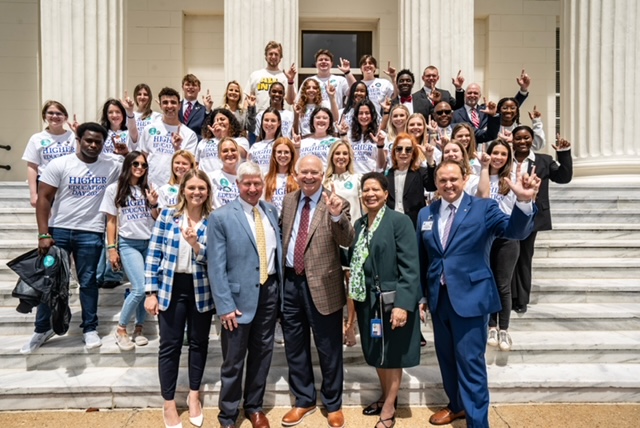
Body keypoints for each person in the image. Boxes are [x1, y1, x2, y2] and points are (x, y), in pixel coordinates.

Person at [417, 160, 539, 428]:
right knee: (447, 360)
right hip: (440, 298)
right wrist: (422, 296)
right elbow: (423, 259)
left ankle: (477, 423)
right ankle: (457, 406)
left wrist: (524, 202)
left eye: (453, 179)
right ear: (436, 183)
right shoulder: (426, 214)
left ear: (464, 179)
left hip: (471, 298)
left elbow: (514, 231)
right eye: (442, 180)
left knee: (470, 364)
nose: (448, 184)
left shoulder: (484, 208)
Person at [21, 122, 123, 354]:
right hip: (60, 232)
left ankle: (90, 328)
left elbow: (136, 167)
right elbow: (44, 198)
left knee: (88, 282)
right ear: (78, 140)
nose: (93, 145)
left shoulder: (111, 165)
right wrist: (43, 233)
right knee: (52, 281)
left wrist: (125, 153)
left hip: (91, 232)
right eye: (89, 140)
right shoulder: (60, 164)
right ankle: (42, 329)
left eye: (98, 141)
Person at [280, 155, 355, 428]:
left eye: (314, 172)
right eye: (304, 172)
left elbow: (347, 240)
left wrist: (336, 215)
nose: (309, 177)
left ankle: (333, 404)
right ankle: (304, 400)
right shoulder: (288, 201)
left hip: (323, 286)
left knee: (329, 348)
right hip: (290, 283)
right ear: (296, 174)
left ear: (323, 175)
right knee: (295, 345)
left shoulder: (336, 202)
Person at [208, 161, 282, 428]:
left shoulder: (271, 211)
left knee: (263, 356)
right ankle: (227, 414)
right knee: (233, 361)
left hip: (269, 293)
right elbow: (215, 266)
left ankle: (254, 407)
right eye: (247, 183)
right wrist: (224, 305)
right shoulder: (221, 216)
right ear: (238, 185)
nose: (252, 188)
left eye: (257, 183)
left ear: (263, 184)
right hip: (237, 302)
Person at [349, 172, 422, 428]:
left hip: (392, 301)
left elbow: (410, 267)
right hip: (368, 301)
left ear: (386, 193)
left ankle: (390, 406)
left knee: (392, 355)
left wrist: (403, 304)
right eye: (366, 190)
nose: (370, 194)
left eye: (375, 189)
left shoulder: (399, 222)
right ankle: (384, 396)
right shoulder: (359, 225)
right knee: (377, 353)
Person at [144, 169, 214, 428]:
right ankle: (169, 403)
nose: (197, 192)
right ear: (183, 189)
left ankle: (194, 396)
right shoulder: (167, 216)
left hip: (201, 288)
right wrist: (150, 292)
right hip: (170, 287)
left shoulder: (213, 219)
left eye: (202, 188)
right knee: (170, 345)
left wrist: (196, 245)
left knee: (198, 343)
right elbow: (153, 254)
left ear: (208, 191)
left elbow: (215, 259)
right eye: (192, 187)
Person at [99, 151, 158, 351]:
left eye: (143, 165)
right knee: (139, 288)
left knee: (147, 287)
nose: (140, 168)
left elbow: (157, 217)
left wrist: (153, 203)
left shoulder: (149, 188)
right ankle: (121, 329)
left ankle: (139, 329)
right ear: (127, 165)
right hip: (128, 243)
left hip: (149, 242)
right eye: (135, 164)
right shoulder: (114, 189)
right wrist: (111, 248)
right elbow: (111, 221)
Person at [511, 128, 573, 313]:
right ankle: (508, 296)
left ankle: (521, 299)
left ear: (532, 140)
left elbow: (563, 177)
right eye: (518, 138)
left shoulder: (543, 161)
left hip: (531, 215)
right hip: (508, 213)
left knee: (524, 256)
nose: (522, 141)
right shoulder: (507, 159)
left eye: (526, 138)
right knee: (508, 255)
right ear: (512, 140)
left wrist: (564, 154)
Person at [324, 140, 363, 347]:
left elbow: (363, 208)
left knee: (351, 283)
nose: (341, 157)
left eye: (344, 154)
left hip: (352, 236)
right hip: (330, 238)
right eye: (337, 153)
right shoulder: (324, 180)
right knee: (334, 282)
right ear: (331, 156)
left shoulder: (357, 179)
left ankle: (351, 326)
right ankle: (338, 325)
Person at [485, 140, 520, 351]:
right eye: (495, 153)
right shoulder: (479, 177)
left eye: (503, 154)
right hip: (485, 236)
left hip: (506, 236)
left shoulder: (512, 180)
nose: (498, 157)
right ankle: (491, 325)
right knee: (488, 282)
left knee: (503, 285)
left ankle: (504, 329)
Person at [139, 87, 199, 188]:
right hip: (152, 187)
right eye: (165, 102)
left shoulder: (189, 134)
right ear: (160, 105)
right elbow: (143, 158)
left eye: (173, 102)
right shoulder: (149, 129)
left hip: (177, 188)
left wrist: (178, 148)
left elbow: (189, 165)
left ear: (179, 106)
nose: (169, 106)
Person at [22, 100, 76, 208]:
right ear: (44, 116)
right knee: (46, 220)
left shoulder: (74, 137)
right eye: (50, 113)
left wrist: (79, 134)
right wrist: (33, 194)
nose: (54, 116)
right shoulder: (36, 138)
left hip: (69, 183)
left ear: (65, 117)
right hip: (46, 183)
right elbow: (32, 166)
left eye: (59, 113)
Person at [385, 133, 436, 226]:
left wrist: (429, 159)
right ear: (394, 152)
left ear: (413, 154)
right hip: (391, 223)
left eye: (408, 150)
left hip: (414, 223)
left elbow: (432, 186)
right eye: (399, 149)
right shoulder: (387, 175)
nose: (403, 153)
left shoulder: (420, 172)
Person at [291, 49, 356, 109]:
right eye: (320, 60)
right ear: (316, 64)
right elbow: (299, 101)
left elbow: (355, 90)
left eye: (326, 60)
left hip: (335, 118)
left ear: (331, 64)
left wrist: (347, 72)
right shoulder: (309, 81)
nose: (323, 61)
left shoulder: (340, 80)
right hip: (315, 119)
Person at [196, 107, 250, 174]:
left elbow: (241, 154)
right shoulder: (203, 142)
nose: (219, 122)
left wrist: (222, 137)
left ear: (230, 122)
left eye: (222, 119)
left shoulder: (241, 141)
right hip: (206, 180)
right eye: (216, 120)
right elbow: (197, 163)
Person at [245, 41, 291, 112]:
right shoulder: (255, 75)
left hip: (278, 118)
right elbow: (247, 99)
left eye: (276, 54)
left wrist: (291, 80)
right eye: (270, 54)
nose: (273, 56)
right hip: (258, 118)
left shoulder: (285, 77)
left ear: (280, 58)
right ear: (266, 57)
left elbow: (290, 101)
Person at [349, 99, 386, 174]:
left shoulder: (380, 135)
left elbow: (381, 165)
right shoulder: (349, 134)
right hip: (354, 178)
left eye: (367, 113)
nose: (364, 116)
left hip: (372, 177)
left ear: (372, 115)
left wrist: (380, 146)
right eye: (360, 113)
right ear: (356, 116)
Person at [263, 137, 298, 214]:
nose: (282, 155)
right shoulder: (266, 178)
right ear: (274, 154)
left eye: (286, 152)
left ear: (291, 154)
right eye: (279, 152)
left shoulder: (297, 178)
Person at [209, 138, 241, 208]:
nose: (230, 153)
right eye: (225, 151)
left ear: (238, 153)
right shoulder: (212, 177)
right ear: (219, 155)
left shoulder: (244, 178)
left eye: (233, 150)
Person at [249, 107, 282, 174]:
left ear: (278, 123)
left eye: (273, 121)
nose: (269, 124)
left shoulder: (282, 144)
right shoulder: (254, 147)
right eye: (266, 120)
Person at [179, 74, 207, 140]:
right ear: (183, 87)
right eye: (188, 84)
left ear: (199, 89)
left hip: (195, 145)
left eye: (194, 85)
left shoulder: (204, 110)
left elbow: (207, 128)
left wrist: (208, 109)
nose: (191, 87)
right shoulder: (175, 106)